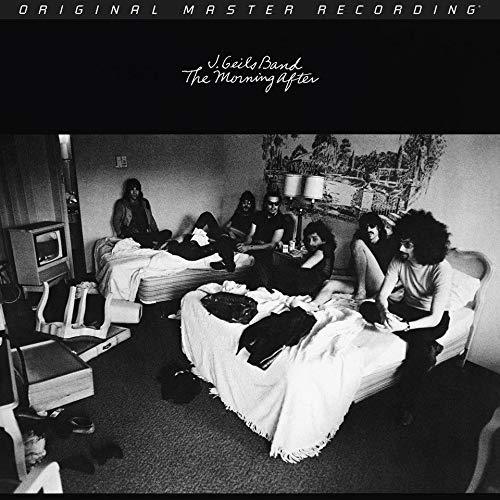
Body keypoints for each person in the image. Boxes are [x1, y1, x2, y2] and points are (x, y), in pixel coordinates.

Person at [358, 209, 452, 426]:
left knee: (419, 351)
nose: (401, 248)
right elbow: (382, 296)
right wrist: (385, 314)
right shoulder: (399, 260)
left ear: (424, 245)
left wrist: (403, 326)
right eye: (401, 242)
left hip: (432, 319)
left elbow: (435, 317)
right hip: (407, 309)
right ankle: (430, 345)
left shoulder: (441, 269)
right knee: (367, 307)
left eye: (408, 245)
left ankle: (407, 405)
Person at [312, 211, 399, 306]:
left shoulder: (387, 244)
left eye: (372, 226)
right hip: (363, 285)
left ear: (379, 228)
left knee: (357, 243)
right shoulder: (362, 246)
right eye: (365, 227)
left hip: (380, 285)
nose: (368, 230)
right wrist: (331, 274)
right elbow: (351, 271)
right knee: (329, 283)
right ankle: (312, 305)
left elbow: (394, 274)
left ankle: (361, 291)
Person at [272, 220, 337, 297]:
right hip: (317, 283)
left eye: (315, 239)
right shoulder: (328, 249)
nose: (310, 243)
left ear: (324, 239)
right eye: (309, 240)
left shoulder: (322, 249)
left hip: (313, 283)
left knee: (280, 271)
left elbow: (305, 267)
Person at [237, 190, 286, 288]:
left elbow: (271, 245)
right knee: (225, 240)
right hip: (253, 244)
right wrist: (245, 244)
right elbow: (251, 234)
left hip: (264, 249)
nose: (273, 207)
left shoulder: (281, 220)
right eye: (270, 204)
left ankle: (258, 288)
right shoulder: (258, 215)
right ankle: (226, 262)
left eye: (276, 204)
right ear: (265, 203)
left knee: (259, 265)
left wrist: (249, 247)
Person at [112, 178, 172, 249]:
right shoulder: (121, 203)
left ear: (139, 191)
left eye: (137, 189)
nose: (134, 192)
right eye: (132, 189)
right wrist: (120, 234)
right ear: (128, 191)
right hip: (132, 234)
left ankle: (153, 243)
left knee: (168, 232)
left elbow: (151, 219)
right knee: (139, 239)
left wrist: (156, 233)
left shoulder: (144, 202)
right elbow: (116, 220)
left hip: (146, 233)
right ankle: (153, 244)